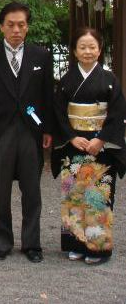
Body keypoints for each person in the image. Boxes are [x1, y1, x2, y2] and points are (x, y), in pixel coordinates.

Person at [0, 1, 53, 262]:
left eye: (21, 25)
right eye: (11, 25)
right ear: (1, 27)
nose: (16, 30)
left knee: (32, 191)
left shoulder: (41, 56)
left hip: (31, 130)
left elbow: (47, 96)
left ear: (27, 27)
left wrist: (48, 129)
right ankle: (0, 242)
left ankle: (32, 244)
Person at [51, 27, 126, 265]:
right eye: (82, 47)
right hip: (74, 145)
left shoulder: (110, 80)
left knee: (97, 196)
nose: (87, 51)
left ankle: (97, 248)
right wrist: (72, 137)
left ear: (99, 49)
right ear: (74, 51)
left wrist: (101, 139)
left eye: (92, 47)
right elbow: (58, 113)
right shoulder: (66, 81)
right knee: (74, 195)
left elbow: (117, 112)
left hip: (100, 147)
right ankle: (76, 244)